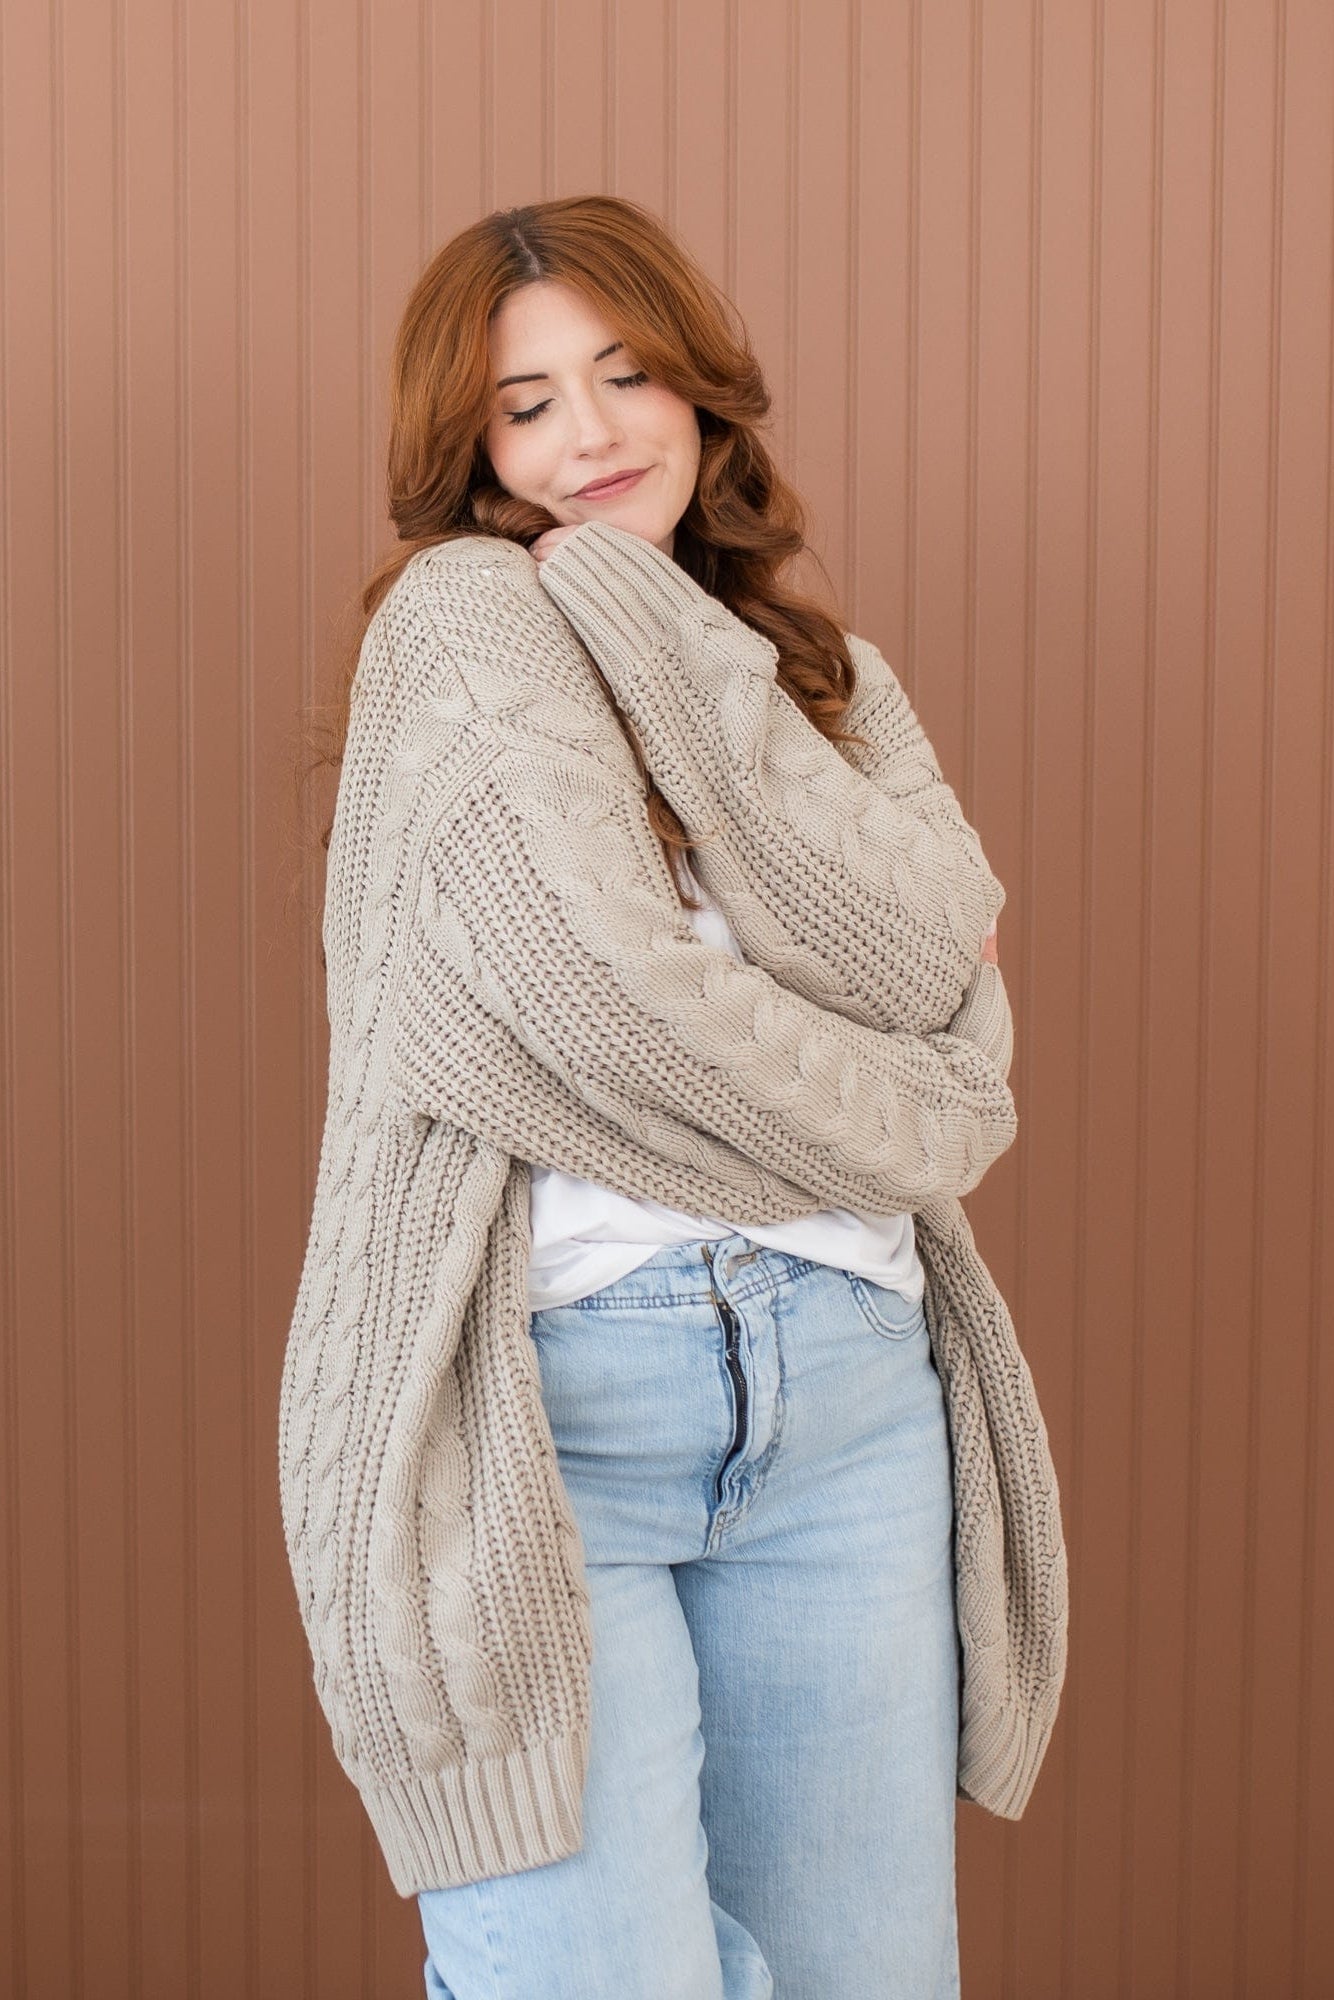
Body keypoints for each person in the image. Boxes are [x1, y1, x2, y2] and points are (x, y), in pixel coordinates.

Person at [280, 194, 1065, 2000]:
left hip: (858, 1407)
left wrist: (657, 619)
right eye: (527, 404)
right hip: (559, 1418)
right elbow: (600, 1013)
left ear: (703, 394)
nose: (589, 435)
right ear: (468, 450)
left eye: (626, 376)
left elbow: (927, 948)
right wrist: (927, 1105)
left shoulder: (824, 682)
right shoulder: (466, 631)